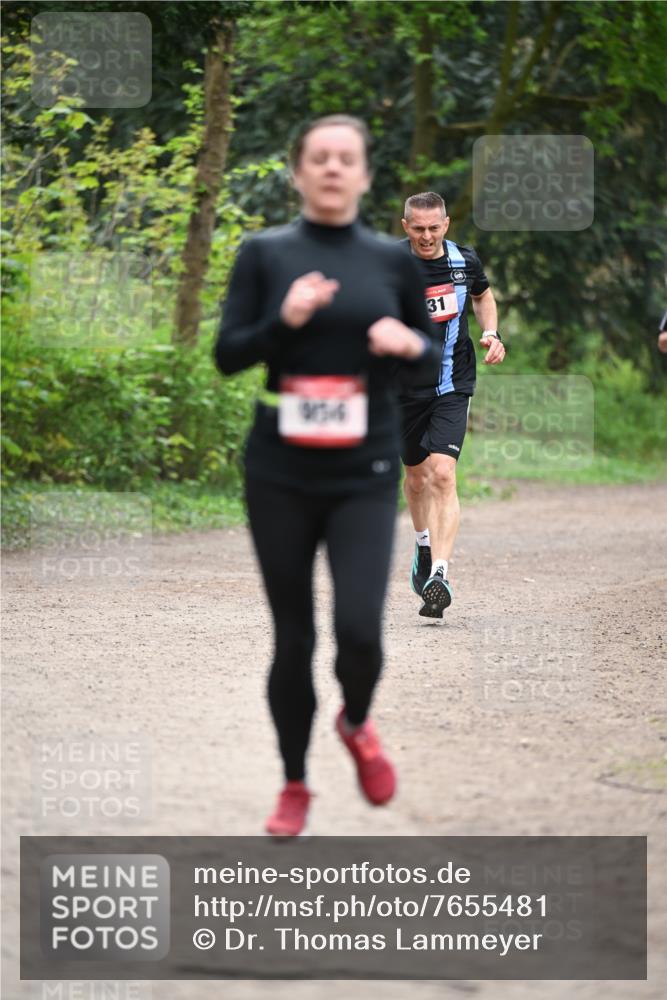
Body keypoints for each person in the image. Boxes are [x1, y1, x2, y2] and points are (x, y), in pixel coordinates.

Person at [214, 116, 439, 837]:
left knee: (359, 633)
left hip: (363, 465)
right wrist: (284, 319)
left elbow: (429, 360)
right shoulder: (264, 254)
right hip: (279, 468)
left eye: (347, 159)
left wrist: (408, 342)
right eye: (320, 158)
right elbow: (228, 354)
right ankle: (293, 785)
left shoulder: (392, 261)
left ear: (365, 175)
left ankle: (357, 721)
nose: (333, 168)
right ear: (298, 171)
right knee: (294, 638)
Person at [398, 191, 505, 618]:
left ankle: (439, 575)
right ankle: (424, 549)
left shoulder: (464, 262)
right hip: (402, 390)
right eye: (418, 228)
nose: (427, 236)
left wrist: (492, 333)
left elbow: (483, 297)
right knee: (417, 478)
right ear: (405, 226)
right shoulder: (390, 265)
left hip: (451, 383)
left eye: (434, 227)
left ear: (446, 224)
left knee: (442, 473)